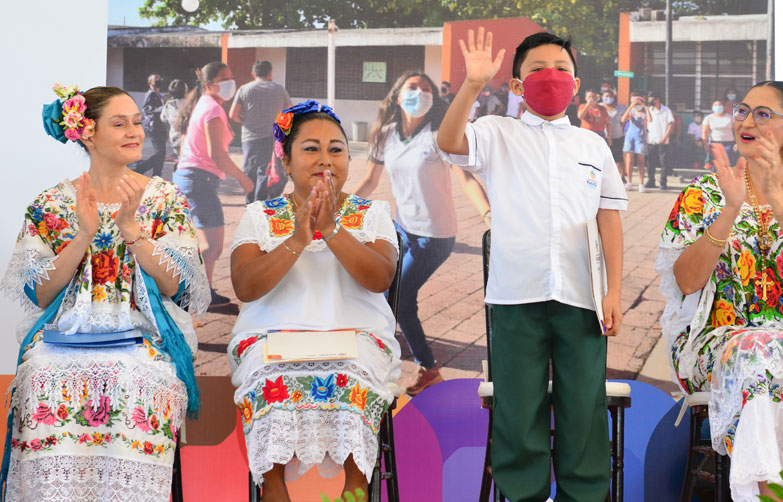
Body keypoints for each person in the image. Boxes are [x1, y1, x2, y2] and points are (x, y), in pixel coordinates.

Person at [437, 28, 627, 502]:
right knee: (518, 407)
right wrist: (473, 85)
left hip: (582, 298)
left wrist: (614, 291)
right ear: (518, 85)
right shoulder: (496, 132)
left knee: (583, 406)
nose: (552, 76)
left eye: (562, 69)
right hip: (515, 295)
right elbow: (448, 142)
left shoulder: (593, 147)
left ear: (577, 84)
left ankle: (581, 495)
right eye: (537, 69)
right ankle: (523, 494)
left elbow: (610, 221)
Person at [0, 84, 209, 501]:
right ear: (87, 133)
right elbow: (39, 294)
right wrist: (83, 235)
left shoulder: (164, 199)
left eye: (136, 122)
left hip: (142, 337)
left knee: (135, 376)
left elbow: (178, 288)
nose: (136, 131)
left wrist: (133, 232)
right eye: (120, 123)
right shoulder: (53, 204)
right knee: (40, 375)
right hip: (65, 337)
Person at [656, 74, 783, 501]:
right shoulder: (704, 194)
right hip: (723, 341)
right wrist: (730, 210)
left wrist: (779, 201)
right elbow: (686, 281)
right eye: (743, 110)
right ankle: (768, 494)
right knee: (756, 352)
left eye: (763, 113)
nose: (746, 120)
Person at [229, 100, 401, 502]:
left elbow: (380, 279)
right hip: (271, 342)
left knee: (352, 373)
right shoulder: (259, 215)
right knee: (268, 379)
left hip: (356, 341)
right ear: (286, 162)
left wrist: (330, 229)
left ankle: (355, 489)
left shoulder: (372, 212)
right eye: (311, 148)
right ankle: (274, 490)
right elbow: (246, 287)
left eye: (336, 149)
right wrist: (298, 239)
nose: (326, 159)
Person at [353, 71, 491, 395]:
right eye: (413, 88)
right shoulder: (385, 134)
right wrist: (339, 208)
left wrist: (488, 215)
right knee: (386, 293)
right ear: (398, 96)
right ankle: (392, 359)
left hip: (435, 236)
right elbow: (371, 181)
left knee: (396, 298)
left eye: (426, 89)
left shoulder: (440, 135)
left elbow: (467, 179)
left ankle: (426, 367)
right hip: (402, 228)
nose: (420, 93)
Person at [175, 62, 255, 310]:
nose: (231, 83)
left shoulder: (206, 105)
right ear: (210, 85)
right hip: (200, 180)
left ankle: (202, 292)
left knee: (207, 244)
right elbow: (217, 155)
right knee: (212, 246)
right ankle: (194, 294)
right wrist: (243, 178)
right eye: (225, 79)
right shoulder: (211, 109)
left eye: (231, 77)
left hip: (194, 179)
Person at [230, 60, 293, 203]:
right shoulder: (279, 89)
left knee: (249, 170)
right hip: (272, 137)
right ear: (270, 74)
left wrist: (244, 122)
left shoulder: (244, 89)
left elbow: (233, 114)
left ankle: (250, 200)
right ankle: (261, 200)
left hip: (250, 137)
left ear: (253, 74)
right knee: (266, 170)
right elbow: (290, 111)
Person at [131, 74, 168, 177]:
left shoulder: (158, 94)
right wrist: (162, 109)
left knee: (161, 153)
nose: (159, 81)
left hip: (160, 126)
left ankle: (157, 176)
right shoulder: (151, 94)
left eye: (160, 80)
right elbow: (146, 109)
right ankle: (140, 169)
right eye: (156, 80)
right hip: (154, 126)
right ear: (150, 83)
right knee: (160, 153)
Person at [645, 90, 675, 190]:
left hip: (663, 141)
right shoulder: (649, 110)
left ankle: (663, 182)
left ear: (658, 99)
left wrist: (665, 137)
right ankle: (651, 181)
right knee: (650, 163)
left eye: (653, 100)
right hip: (651, 140)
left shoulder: (666, 110)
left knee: (664, 163)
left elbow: (671, 125)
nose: (651, 102)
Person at [621, 92, 650, 191]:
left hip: (641, 138)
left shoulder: (645, 113)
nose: (637, 106)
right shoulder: (631, 112)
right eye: (636, 104)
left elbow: (650, 120)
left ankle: (641, 183)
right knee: (629, 161)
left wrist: (645, 108)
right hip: (630, 137)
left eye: (639, 103)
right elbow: (623, 119)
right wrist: (631, 106)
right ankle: (629, 182)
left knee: (641, 161)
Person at [601, 89, 627, 181]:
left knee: (618, 158)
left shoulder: (621, 108)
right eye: (606, 97)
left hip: (618, 135)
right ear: (602, 98)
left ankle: (621, 177)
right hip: (604, 136)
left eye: (610, 96)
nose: (608, 98)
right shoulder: (600, 107)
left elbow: (626, 119)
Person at [702, 100, 737, 166]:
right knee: (716, 164)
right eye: (716, 105)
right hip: (715, 143)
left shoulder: (730, 117)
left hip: (729, 144)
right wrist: (705, 144)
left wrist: (737, 143)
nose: (718, 106)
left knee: (729, 164)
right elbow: (704, 132)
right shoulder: (708, 118)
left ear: (723, 107)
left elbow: (738, 130)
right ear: (712, 107)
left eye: (720, 105)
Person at [160, 78, 187, 160]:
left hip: (174, 137)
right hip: (186, 137)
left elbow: (163, 118)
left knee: (180, 160)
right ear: (185, 90)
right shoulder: (188, 103)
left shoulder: (168, 104)